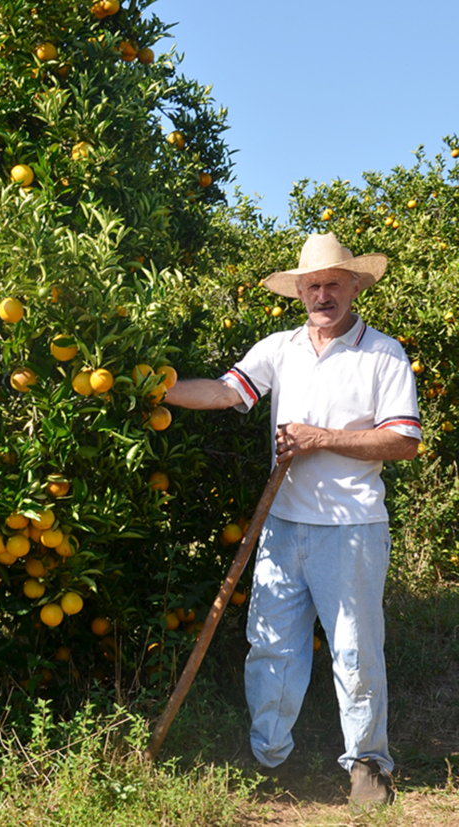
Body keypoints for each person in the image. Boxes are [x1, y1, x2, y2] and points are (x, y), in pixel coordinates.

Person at [163, 232, 420, 809]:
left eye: (333, 283)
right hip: (282, 524)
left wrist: (319, 438)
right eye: (313, 286)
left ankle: (368, 764)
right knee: (272, 645)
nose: (323, 295)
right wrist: (160, 391)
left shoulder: (383, 353)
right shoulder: (278, 348)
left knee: (355, 649)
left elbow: (403, 440)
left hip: (351, 528)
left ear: (355, 286)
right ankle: (268, 756)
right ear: (298, 291)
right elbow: (227, 393)